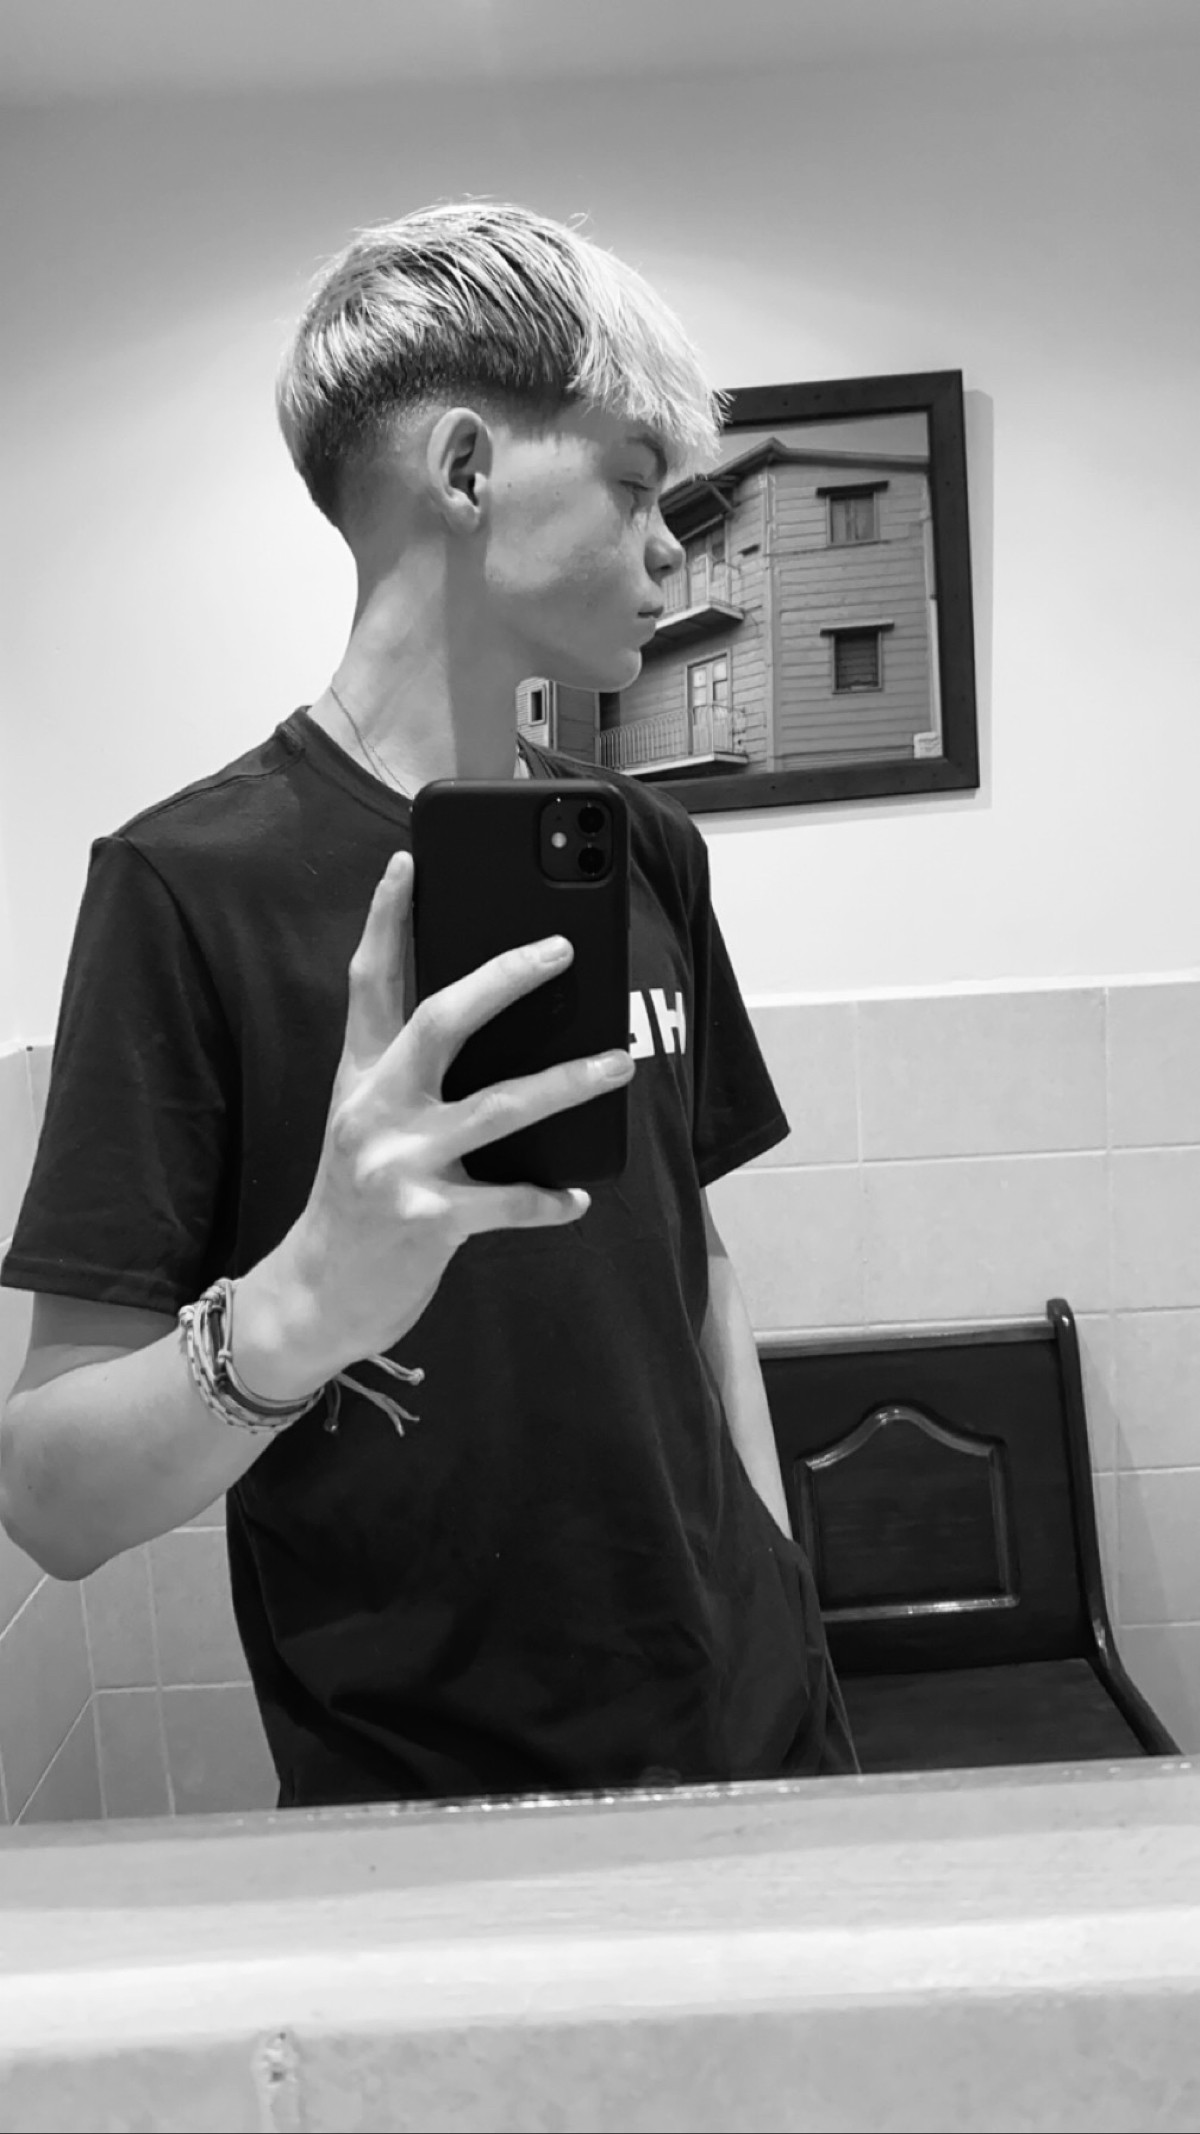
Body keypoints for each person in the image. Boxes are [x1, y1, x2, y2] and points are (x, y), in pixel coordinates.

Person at [0, 200, 857, 1806]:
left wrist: (784, 1592)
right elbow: (50, 1493)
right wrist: (306, 1299)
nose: (671, 549)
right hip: (431, 1804)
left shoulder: (642, 850)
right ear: (467, 470)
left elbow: (696, 1257)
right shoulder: (189, 884)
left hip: (760, 1725)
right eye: (632, 483)